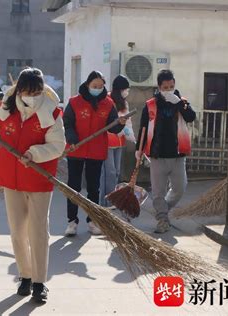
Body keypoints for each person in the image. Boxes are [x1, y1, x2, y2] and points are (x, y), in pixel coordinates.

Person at [0, 68, 65, 303]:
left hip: (38, 179)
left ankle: (39, 282)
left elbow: (58, 145)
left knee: (38, 232)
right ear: (19, 90)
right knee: (17, 231)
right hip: (12, 179)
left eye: (36, 91)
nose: (32, 96)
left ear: (41, 90)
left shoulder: (51, 111)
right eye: (27, 91)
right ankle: (25, 276)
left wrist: (34, 153)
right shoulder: (5, 107)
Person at [64, 71, 126, 236]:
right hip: (75, 149)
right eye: (94, 86)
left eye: (100, 86)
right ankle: (72, 222)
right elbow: (67, 123)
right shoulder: (74, 102)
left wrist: (119, 124)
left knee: (94, 188)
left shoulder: (108, 104)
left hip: (96, 151)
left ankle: (92, 221)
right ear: (87, 85)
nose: (97, 89)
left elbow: (112, 127)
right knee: (73, 187)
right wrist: (72, 139)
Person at [136, 69, 196, 233]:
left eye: (171, 86)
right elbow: (143, 127)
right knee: (158, 192)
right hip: (157, 154)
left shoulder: (182, 102)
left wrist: (178, 103)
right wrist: (138, 149)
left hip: (178, 154)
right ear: (159, 87)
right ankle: (162, 219)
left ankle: (163, 210)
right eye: (166, 87)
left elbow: (191, 117)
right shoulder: (150, 105)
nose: (169, 89)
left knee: (180, 187)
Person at [99, 75, 136, 207]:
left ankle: (112, 198)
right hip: (107, 141)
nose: (127, 91)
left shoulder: (124, 103)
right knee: (109, 172)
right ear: (119, 89)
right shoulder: (107, 100)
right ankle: (106, 201)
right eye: (125, 89)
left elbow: (128, 123)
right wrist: (121, 129)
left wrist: (131, 136)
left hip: (120, 142)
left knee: (117, 172)